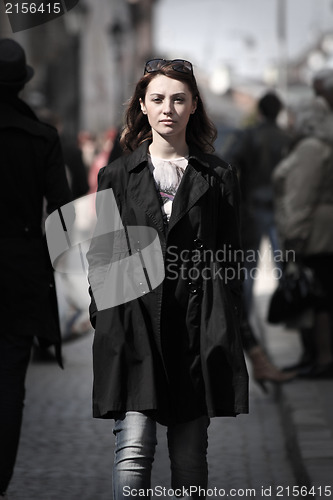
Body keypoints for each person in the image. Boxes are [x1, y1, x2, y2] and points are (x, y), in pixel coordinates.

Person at [87, 58, 249, 499]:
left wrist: (227, 318)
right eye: (157, 98)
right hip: (134, 325)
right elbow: (102, 258)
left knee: (190, 456)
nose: (168, 108)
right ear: (142, 104)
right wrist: (105, 318)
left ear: (194, 105)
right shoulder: (117, 175)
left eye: (179, 99)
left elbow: (232, 256)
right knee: (133, 451)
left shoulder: (218, 176)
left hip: (195, 331)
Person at [0, 38, 72, 498]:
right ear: (23, 84)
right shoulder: (43, 138)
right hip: (21, 272)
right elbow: (62, 214)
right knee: (9, 382)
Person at [273, 96, 333, 378]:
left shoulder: (310, 148)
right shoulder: (317, 145)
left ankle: (321, 358)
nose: (289, 122)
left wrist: (293, 240)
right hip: (320, 231)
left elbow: (300, 197)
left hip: (313, 235)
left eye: (293, 116)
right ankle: (315, 357)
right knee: (316, 294)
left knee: (314, 295)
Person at [224, 91, 290, 314]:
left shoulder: (249, 135)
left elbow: (228, 163)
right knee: (284, 265)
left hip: (252, 207)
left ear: (260, 111)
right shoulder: (287, 138)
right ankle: (289, 313)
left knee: (248, 268)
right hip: (282, 209)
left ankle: (244, 319)